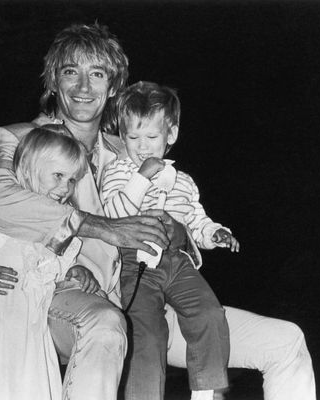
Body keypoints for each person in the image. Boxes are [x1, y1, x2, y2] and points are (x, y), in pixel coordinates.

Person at [0, 22, 316, 400]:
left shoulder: (136, 147)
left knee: (286, 341)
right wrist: (106, 228)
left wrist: (181, 232)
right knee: (105, 325)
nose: (83, 87)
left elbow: (182, 217)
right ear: (53, 82)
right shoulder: (16, 137)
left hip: (144, 298)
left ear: (113, 87)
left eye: (97, 73)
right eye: (70, 71)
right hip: (60, 302)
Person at [0, 126, 106, 400]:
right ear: (30, 168)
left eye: (72, 180)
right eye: (58, 175)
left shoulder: (58, 228)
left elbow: (58, 269)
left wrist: (76, 270)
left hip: (31, 341)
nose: (65, 188)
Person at [100, 81, 239, 400]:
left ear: (170, 135)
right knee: (147, 333)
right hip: (135, 265)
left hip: (177, 262)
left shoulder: (184, 182)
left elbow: (195, 219)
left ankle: (206, 392)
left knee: (209, 313)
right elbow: (114, 212)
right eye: (133, 137)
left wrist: (214, 233)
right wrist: (141, 177)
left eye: (151, 137)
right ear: (122, 137)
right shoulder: (118, 173)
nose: (142, 146)